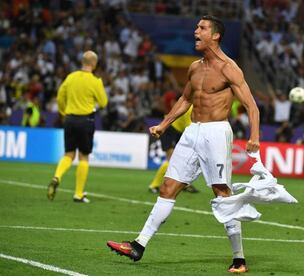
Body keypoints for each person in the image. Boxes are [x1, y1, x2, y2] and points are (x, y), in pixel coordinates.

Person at [107, 15, 260, 273]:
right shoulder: (194, 68)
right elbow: (185, 99)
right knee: (167, 187)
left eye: (202, 28)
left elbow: (251, 106)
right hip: (192, 132)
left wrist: (254, 137)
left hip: (216, 132)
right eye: (196, 27)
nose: (195, 31)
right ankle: (138, 245)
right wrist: (164, 123)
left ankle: (239, 258)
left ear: (216, 35)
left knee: (223, 194)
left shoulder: (229, 67)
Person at [47, 50, 108, 203]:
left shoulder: (70, 77)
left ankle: (57, 176)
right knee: (84, 156)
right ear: (94, 63)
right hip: (85, 120)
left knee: (68, 154)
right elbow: (103, 103)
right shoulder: (95, 81)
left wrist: (63, 112)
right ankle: (78, 194)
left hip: (69, 119)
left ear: (82, 62)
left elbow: (60, 96)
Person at [148, 105, 199, 194]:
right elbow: (190, 128)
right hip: (169, 130)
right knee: (171, 160)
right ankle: (154, 185)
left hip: (178, 132)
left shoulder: (197, 107)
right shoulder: (191, 109)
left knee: (183, 160)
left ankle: (185, 184)